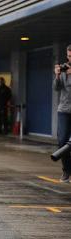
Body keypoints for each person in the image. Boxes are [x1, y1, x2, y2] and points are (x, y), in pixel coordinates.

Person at [53, 45, 71, 182]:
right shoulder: (64, 68)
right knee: (62, 142)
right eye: (69, 56)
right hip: (64, 110)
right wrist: (57, 75)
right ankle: (66, 170)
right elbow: (56, 88)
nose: (70, 59)